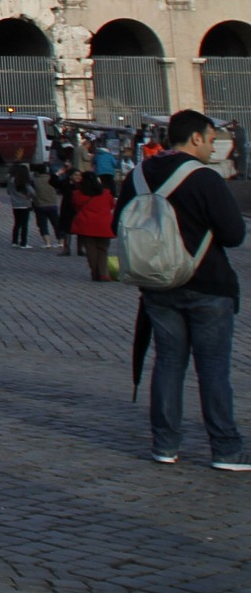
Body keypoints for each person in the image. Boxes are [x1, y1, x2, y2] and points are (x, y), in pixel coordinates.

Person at [115, 110, 247, 468]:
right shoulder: (204, 178)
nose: (213, 146)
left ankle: (165, 445)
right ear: (195, 139)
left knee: (169, 363)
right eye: (210, 139)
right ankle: (225, 449)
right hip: (207, 284)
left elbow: (120, 225)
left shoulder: (138, 176)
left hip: (158, 285)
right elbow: (234, 235)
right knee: (213, 368)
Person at [72, 173, 116, 282]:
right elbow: (112, 205)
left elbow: (76, 206)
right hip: (104, 224)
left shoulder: (77, 194)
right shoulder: (106, 193)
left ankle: (95, 273)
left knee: (90, 250)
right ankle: (103, 273)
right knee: (103, 250)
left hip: (86, 224)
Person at [7, 160, 36, 248]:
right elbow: (33, 193)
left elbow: (8, 191)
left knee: (17, 223)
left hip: (15, 205)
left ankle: (14, 241)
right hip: (25, 204)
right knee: (24, 224)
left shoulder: (11, 180)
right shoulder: (24, 182)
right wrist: (28, 196)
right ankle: (24, 242)